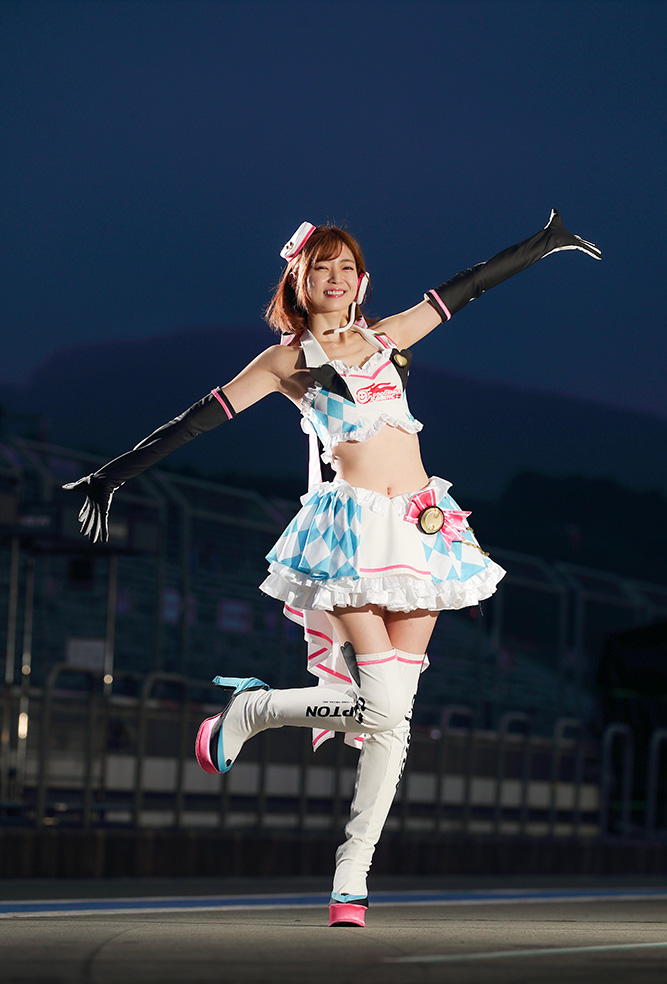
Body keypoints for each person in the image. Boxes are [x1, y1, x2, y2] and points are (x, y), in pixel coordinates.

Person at [64, 209, 601, 926]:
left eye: (347, 266)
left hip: (421, 528)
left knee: (392, 720)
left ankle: (352, 874)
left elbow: (467, 286)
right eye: (322, 267)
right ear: (300, 280)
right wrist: (111, 477)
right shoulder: (284, 362)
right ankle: (254, 712)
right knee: (382, 710)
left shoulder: (387, 338)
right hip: (350, 534)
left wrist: (543, 242)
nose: (337, 277)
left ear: (361, 280)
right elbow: (197, 418)